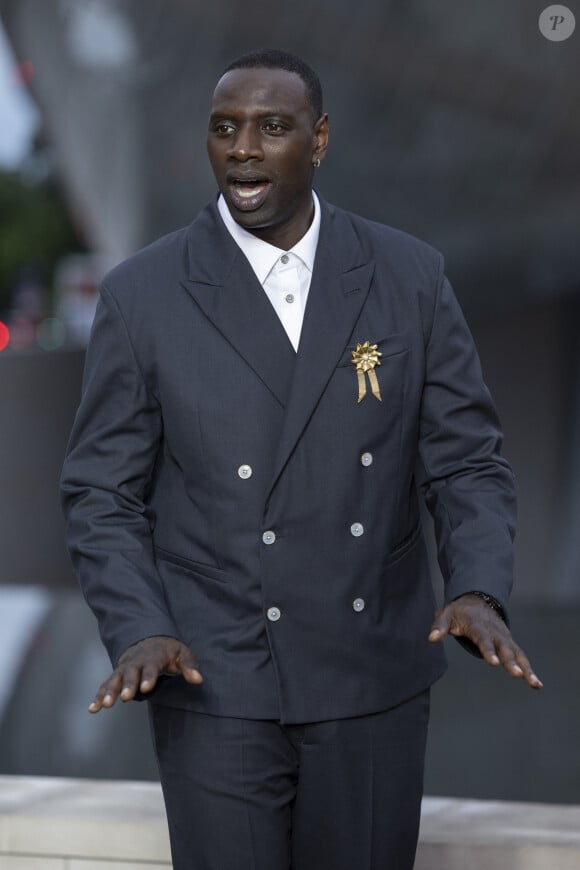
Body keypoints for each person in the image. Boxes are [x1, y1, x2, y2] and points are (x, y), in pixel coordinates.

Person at [61, 48, 542, 870]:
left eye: (272, 128)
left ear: (318, 141)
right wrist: (140, 624)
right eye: (225, 128)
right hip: (215, 677)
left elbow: (466, 463)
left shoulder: (408, 275)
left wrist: (476, 585)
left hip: (371, 677)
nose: (243, 148)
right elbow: (101, 491)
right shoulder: (143, 293)